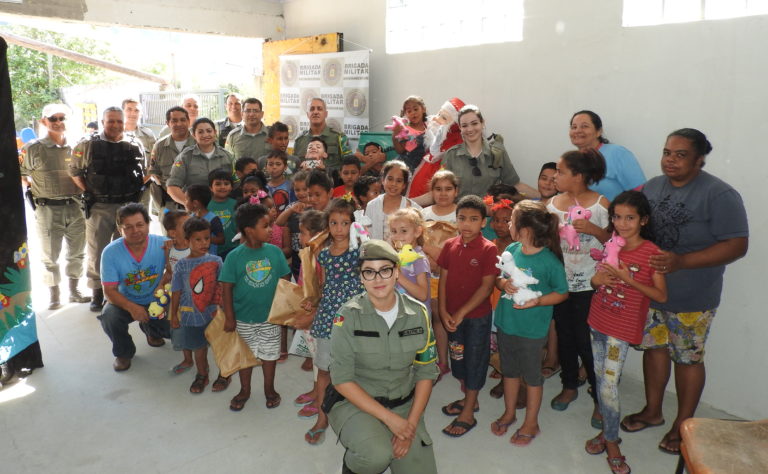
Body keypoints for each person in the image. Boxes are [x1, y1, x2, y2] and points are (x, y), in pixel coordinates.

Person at [621, 129, 748, 455]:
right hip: (652, 291)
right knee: (654, 349)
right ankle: (652, 411)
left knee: (688, 359)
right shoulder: (652, 186)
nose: (670, 159)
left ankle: (683, 425)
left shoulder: (719, 195)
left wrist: (683, 261)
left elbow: (737, 245)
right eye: (667, 152)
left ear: (699, 159)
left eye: (680, 154)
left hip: (693, 297)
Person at [326, 239, 438, 474]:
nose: (377, 279)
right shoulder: (347, 317)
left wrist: (410, 425)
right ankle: (351, 465)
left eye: (385, 270)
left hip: (404, 403)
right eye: (369, 272)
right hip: (357, 403)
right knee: (375, 457)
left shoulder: (418, 313)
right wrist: (390, 420)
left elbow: (426, 372)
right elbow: (341, 379)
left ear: (397, 272)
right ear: (361, 277)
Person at [585, 191, 667, 474]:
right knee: (600, 382)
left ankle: (612, 443)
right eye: (617, 217)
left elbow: (660, 294)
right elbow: (595, 282)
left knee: (608, 387)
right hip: (597, 321)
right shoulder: (611, 244)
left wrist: (626, 279)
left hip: (621, 330)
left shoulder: (651, 253)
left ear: (643, 220)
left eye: (629, 218)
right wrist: (598, 279)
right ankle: (607, 430)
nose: (622, 223)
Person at [492, 200, 568, 446]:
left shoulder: (549, 262)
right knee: (510, 371)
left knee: (532, 377)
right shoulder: (512, 249)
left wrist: (538, 301)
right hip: (506, 323)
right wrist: (504, 284)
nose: (508, 224)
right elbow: (500, 278)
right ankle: (510, 412)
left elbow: (562, 293)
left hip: (532, 331)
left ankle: (532, 422)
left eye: (512, 220)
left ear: (525, 230)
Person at [546, 149, 610, 421]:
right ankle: (569, 385)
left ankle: (599, 397)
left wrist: (594, 230)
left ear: (578, 176)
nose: (555, 177)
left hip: (590, 285)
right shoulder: (551, 205)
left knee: (587, 342)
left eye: (561, 172)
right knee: (565, 337)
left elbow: (615, 242)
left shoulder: (600, 205)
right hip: (560, 285)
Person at [69, 106, 145, 312]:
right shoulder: (87, 145)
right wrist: (91, 192)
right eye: (110, 121)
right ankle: (97, 291)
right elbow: (75, 171)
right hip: (101, 206)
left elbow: (142, 174)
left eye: (119, 121)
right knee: (98, 250)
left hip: (128, 206)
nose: (115, 125)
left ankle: (127, 288)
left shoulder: (134, 144)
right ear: (103, 122)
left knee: (128, 250)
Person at [220, 203, 291, 411]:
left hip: (270, 318)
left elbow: (285, 281)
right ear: (250, 231)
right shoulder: (234, 257)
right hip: (243, 318)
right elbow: (226, 288)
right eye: (266, 226)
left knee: (270, 355)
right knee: (246, 357)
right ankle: (245, 390)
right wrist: (230, 317)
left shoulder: (275, 253)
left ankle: (269, 389)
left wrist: (286, 308)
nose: (271, 230)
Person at [438, 195, 498, 437]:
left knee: (475, 361)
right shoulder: (449, 245)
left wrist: (462, 312)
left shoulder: (488, 249)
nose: (467, 224)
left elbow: (486, 288)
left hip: (476, 319)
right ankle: (470, 399)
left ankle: (468, 413)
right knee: (459, 360)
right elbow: (442, 280)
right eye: (462, 218)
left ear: (483, 222)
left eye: (473, 219)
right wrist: (443, 311)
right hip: (452, 318)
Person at [20, 103, 90, 309]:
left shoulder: (78, 147)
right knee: (49, 256)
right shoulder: (34, 148)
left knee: (77, 252)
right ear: (44, 122)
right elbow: (22, 174)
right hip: (48, 209)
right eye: (53, 119)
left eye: (62, 118)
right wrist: (36, 189)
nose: (59, 122)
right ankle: (54, 295)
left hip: (76, 207)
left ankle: (75, 290)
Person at [306, 198, 364, 445]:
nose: (339, 228)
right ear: (327, 226)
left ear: (353, 225)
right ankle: (322, 417)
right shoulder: (323, 256)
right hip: (329, 316)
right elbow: (322, 284)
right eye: (334, 223)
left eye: (345, 223)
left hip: (356, 317)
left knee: (358, 371)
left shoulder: (359, 252)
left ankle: (359, 418)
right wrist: (313, 301)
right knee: (324, 370)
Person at [97, 203, 170, 371]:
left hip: (157, 298)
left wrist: (163, 287)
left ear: (148, 224)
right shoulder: (110, 252)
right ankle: (123, 353)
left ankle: (152, 331)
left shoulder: (164, 244)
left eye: (140, 225)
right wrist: (133, 308)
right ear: (119, 229)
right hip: (125, 301)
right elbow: (109, 291)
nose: (135, 231)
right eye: (128, 227)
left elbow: (178, 266)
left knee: (173, 330)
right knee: (110, 317)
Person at [169, 217, 222, 394]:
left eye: (207, 238)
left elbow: (223, 287)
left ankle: (225, 374)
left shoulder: (217, 261)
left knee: (221, 346)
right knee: (199, 348)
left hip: (214, 313)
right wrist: (174, 314)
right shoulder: (182, 265)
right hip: (191, 315)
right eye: (197, 239)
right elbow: (176, 290)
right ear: (187, 241)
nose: (204, 243)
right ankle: (202, 374)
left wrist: (227, 311)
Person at [441, 105, 539, 200]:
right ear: (460, 128)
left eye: (474, 123)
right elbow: (440, 189)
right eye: (464, 125)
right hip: (460, 214)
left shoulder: (498, 153)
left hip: (489, 213)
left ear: (482, 123)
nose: (470, 129)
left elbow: (514, 184)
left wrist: (544, 199)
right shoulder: (450, 155)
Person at [420, 170, 459, 381]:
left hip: (452, 273)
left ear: (456, 191)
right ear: (431, 191)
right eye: (438, 189)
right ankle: (441, 361)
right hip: (428, 273)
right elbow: (417, 241)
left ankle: (455, 362)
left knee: (452, 317)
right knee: (435, 316)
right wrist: (432, 262)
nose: (443, 194)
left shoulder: (461, 214)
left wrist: (441, 262)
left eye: (448, 189)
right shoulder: (424, 214)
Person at [569, 110, 646, 201]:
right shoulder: (571, 160)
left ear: (599, 131)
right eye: (574, 127)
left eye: (584, 126)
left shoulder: (617, 153)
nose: (577, 131)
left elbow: (640, 192)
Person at [166, 117, 234, 206]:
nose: (205, 135)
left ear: (215, 133)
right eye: (200, 132)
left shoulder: (227, 156)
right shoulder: (185, 157)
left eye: (209, 131)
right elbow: (172, 186)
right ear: (194, 135)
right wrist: (188, 204)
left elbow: (236, 184)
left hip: (223, 209)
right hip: (195, 211)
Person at [293, 97, 353, 182]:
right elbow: (294, 169)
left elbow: (349, 165)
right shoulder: (299, 141)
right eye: (312, 109)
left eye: (319, 109)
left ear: (326, 114)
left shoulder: (339, 137)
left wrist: (326, 170)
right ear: (307, 114)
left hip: (333, 185)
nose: (315, 112)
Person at [149, 106, 196, 214]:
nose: (179, 124)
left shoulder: (199, 144)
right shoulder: (159, 146)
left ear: (188, 121)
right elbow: (154, 173)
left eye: (183, 120)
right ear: (167, 123)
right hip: (169, 204)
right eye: (174, 120)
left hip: (196, 204)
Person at [364, 160, 421, 241]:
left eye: (399, 181)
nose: (394, 184)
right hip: (375, 252)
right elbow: (366, 234)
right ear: (383, 180)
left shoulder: (412, 208)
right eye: (390, 179)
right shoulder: (372, 205)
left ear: (404, 185)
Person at [388, 208, 430, 311]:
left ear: (417, 232)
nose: (397, 236)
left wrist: (399, 276)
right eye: (394, 231)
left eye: (404, 231)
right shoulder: (397, 255)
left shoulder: (419, 258)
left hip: (417, 319)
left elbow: (423, 295)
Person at [183, 184, 224, 256]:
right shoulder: (189, 218)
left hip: (209, 259)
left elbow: (221, 239)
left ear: (195, 203)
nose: (185, 202)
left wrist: (204, 238)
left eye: (186, 199)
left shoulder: (213, 219)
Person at [391, 95, 428, 172]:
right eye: (409, 111)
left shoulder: (429, 126)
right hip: (407, 167)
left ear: (423, 109)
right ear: (405, 114)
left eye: (415, 109)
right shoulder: (405, 129)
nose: (413, 113)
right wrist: (395, 136)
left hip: (424, 166)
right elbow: (401, 150)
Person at [207, 169, 238, 260]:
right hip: (212, 251)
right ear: (210, 187)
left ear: (232, 187)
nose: (222, 187)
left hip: (233, 248)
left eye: (226, 184)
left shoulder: (236, 204)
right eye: (218, 184)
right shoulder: (206, 205)